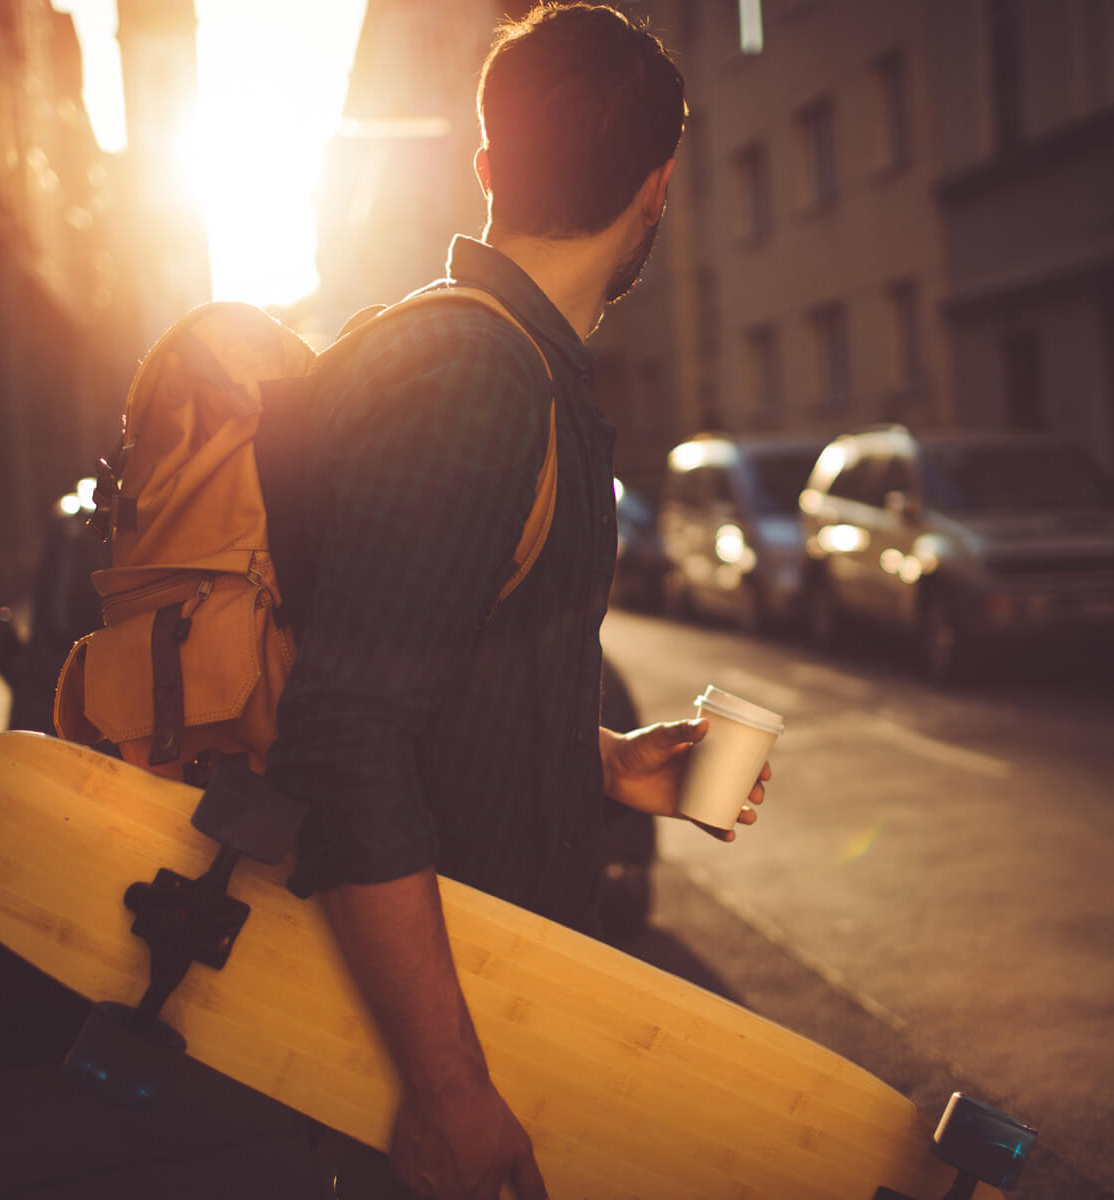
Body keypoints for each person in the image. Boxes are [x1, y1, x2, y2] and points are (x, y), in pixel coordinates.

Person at [258, 6, 769, 1198]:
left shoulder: (502, 367)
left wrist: (592, 759)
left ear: (489, 169)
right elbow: (346, 733)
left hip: (493, 1006)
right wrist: (448, 1098)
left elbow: (419, 671)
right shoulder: (475, 383)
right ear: (658, 190)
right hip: (429, 1046)